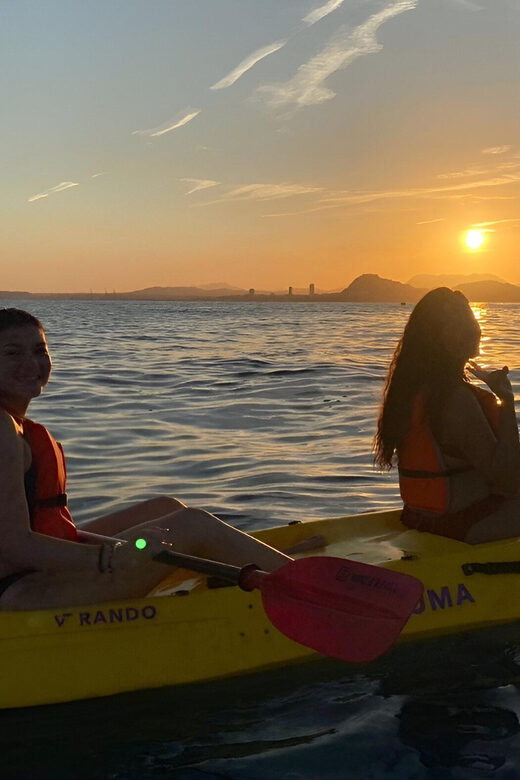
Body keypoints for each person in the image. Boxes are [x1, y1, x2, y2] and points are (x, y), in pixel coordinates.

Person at [0, 308, 290, 610]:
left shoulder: (12, 423)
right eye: (12, 353)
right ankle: (310, 589)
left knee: (166, 509)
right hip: (23, 591)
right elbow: (15, 546)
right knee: (195, 525)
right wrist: (111, 558)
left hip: (33, 572)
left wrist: (118, 549)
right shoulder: (2, 430)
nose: (31, 363)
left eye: (39, 350)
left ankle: (244, 567)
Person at [374, 287, 520, 544]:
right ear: (439, 338)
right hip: (461, 525)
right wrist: (506, 402)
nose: (473, 328)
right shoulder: (455, 400)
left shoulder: (409, 392)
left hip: (419, 518)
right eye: (463, 322)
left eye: (470, 319)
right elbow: (507, 479)